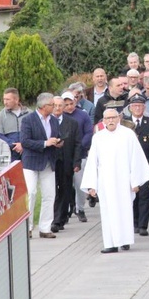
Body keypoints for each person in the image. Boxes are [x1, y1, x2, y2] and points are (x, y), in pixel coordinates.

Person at [80, 108, 149, 253]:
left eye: (113, 117)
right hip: (105, 181)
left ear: (119, 118)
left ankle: (124, 241)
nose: (111, 121)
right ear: (103, 120)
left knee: (124, 210)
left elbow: (136, 159)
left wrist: (135, 181)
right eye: (107, 118)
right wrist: (91, 185)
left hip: (124, 179)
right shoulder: (98, 137)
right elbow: (93, 161)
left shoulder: (128, 135)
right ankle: (110, 243)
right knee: (107, 212)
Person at [20, 92, 63, 239]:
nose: (55, 107)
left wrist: (58, 142)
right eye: (52, 104)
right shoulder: (28, 120)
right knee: (31, 193)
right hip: (31, 161)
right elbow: (25, 141)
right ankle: (28, 227)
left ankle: (45, 228)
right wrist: (45, 143)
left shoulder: (54, 121)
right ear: (44, 106)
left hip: (48, 161)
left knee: (49, 194)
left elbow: (56, 136)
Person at [124, 93, 149, 237]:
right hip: (130, 166)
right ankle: (133, 222)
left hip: (147, 164)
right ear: (130, 108)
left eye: (140, 106)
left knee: (146, 195)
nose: (137, 108)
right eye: (135, 106)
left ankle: (143, 225)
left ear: (144, 107)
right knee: (133, 195)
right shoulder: (125, 124)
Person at [51, 95, 82, 233]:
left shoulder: (72, 123)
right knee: (53, 190)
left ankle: (60, 219)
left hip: (67, 161)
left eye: (60, 106)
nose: (57, 108)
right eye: (54, 105)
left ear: (64, 107)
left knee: (65, 189)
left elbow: (77, 144)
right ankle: (53, 218)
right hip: (51, 162)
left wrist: (76, 162)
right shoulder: (48, 122)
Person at [62, 91, 93, 223]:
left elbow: (88, 132)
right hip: (64, 155)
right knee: (65, 185)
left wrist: (80, 147)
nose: (69, 107)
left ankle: (80, 208)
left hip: (80, 154)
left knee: (80, 184)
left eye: (71, 103)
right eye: (66, 104)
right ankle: (68, 207)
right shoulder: (59, 117)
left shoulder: (83, 115)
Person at [0, 87, 29, 161]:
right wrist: (15, 145)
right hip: (10, 155)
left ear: (16, 100)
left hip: (28, 153)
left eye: (8, 99)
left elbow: (35, 133)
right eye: (4, 99)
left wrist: (23, 145)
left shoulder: (30, 114)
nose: (5, 102)